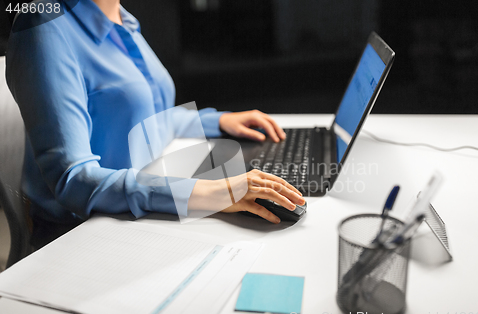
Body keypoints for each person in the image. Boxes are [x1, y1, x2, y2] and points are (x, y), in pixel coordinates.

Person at [6, 0, 305, 242]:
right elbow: (73, 180)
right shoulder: (43, 26)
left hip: (144, 203)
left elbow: (151, 120)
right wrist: (213, 193)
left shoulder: (123, 18)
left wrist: (218, 121)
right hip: (82, 233)